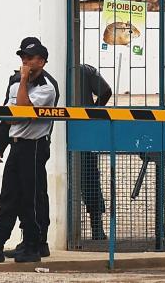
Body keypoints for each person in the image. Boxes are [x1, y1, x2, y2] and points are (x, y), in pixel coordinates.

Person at [0, 36, 59, 264]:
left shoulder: (46, 87)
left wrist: (23, 83)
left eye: (30, 58)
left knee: (32, 197)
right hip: (17, 145)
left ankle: (33, 245)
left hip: (35, 147)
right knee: (8, 197)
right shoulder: (15, 82)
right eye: (22, 57)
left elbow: (20, 113)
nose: (25, 62)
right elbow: (8, 115)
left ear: (42, 61)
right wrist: (1, 142)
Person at [76, 63, 113, 240]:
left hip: (62, 130)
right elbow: (106, 91)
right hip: (85, 132)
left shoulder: (50, 74)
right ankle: (96, 229)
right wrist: (93, 112)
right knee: (90, 179)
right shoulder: (86, 70)